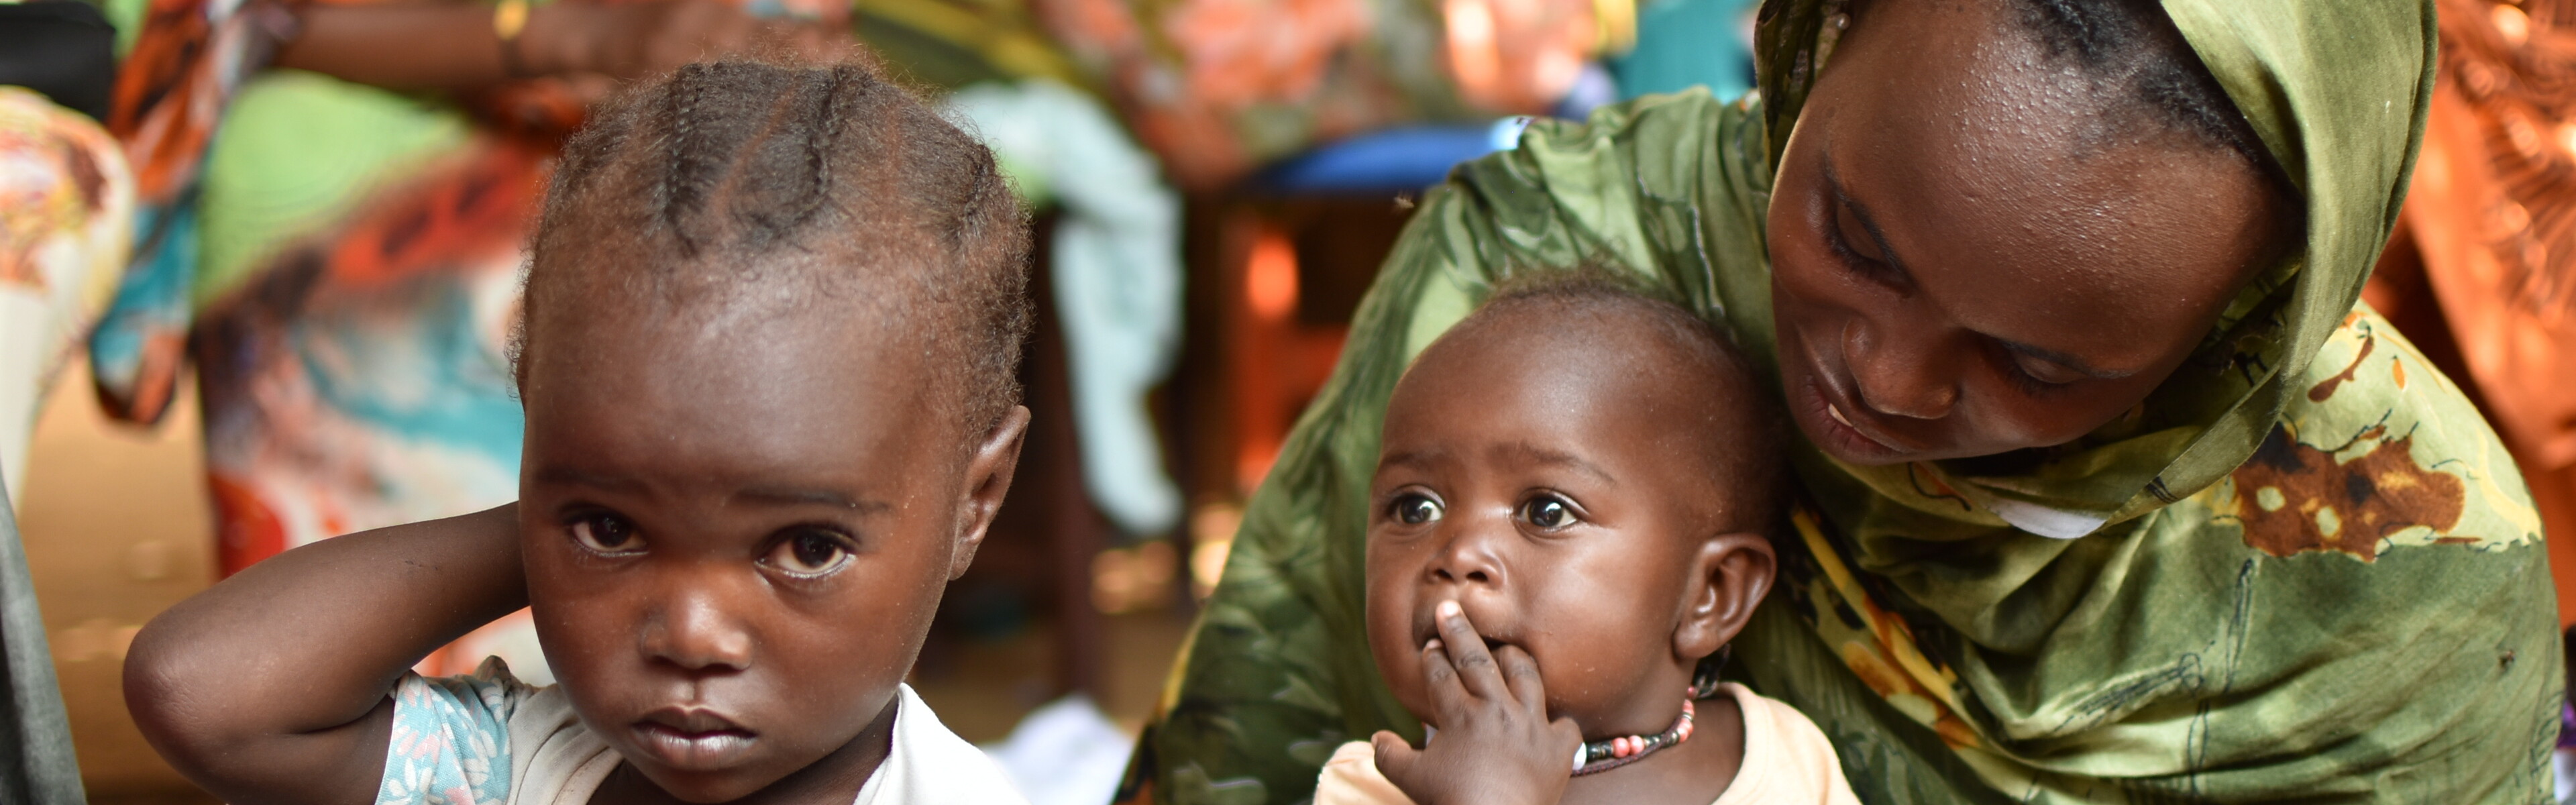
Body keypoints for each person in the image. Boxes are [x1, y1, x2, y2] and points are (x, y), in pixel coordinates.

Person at [1120, 1, 2561, 803]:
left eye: (2041, 365)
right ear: (1816, 39)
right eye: (1852, 239)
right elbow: (1248, 754)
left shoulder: (2402, 602)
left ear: (2241, 332)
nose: (1883, 381)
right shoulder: (1562, 270)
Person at [120, 57, 1036, 805]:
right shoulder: (519, 767)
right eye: (610, 528)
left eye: (806, 546)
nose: (693, 633)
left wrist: (619, 512)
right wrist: (568, 513)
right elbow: (199, 695)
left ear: (976, 498)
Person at [1311, 276, 1857, 805]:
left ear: (1711, 592)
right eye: (1415, 507)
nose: (1460, 555)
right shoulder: (1371, 789)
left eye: (1546, 513)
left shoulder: (1788, 759)